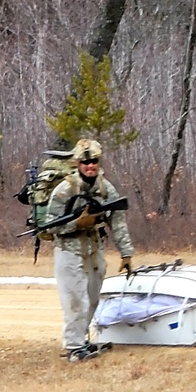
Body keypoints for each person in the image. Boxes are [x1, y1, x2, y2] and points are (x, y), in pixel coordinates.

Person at [47, 138, 133, 363]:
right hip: (69, 252)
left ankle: (82, 339)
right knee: (76, 302)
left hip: (94, 251)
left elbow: (118, 221)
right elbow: (49, 225)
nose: (90, 166)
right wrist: (76, 224)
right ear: (78, 164)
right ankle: (74, 346)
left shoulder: (105, 188)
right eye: (85, 162)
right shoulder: (64, 189)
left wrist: (126, 253)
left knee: (93, 298)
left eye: (94, 161)